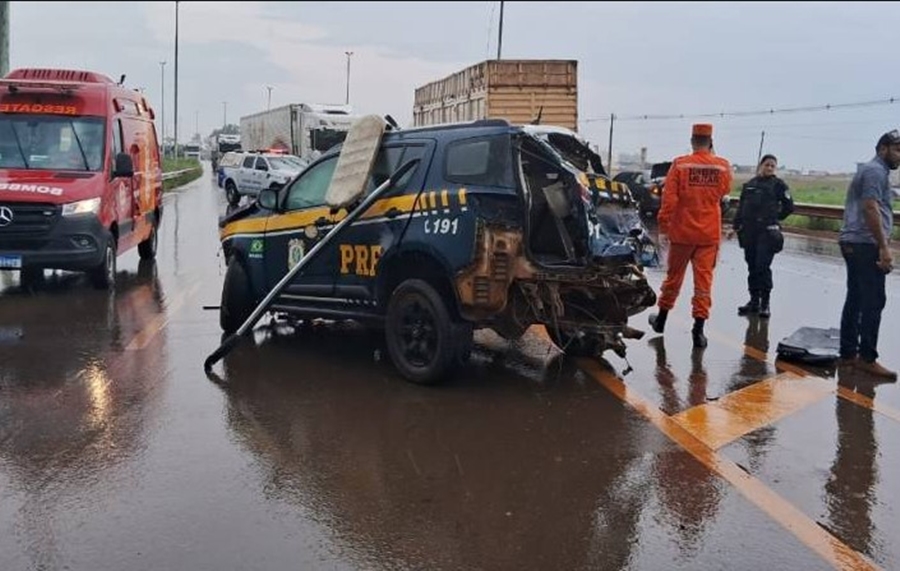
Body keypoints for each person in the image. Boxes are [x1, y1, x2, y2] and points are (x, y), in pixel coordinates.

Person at [648, 123, 733, 348]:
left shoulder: (680, 165)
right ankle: (698, 331)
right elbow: (724, 192)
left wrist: (663, 227)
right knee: (703, 283)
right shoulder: (723, 166)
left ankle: (661, 320)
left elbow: (669, 201)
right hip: (708, 236)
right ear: (711, 142)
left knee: (673, 279)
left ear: (692, 141)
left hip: (682, 233)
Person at [837, 129, 899, 380]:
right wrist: (883, 246)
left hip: (854, 240)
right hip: (865, 242)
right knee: (873, 300)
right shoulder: (875, 171)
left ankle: (848, 353)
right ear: (883, 149)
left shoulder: (872, 170)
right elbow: (870, 207)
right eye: (897, 150)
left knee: (855, 298)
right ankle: (867, 358)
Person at [731, 154, 794, 318]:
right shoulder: (750, 184)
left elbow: (789, 206)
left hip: (767, 232)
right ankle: (754, 301)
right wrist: (735, 226)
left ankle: (765, 303)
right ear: (761, 166)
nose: (770, 168)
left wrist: (775, 217)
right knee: (752, 266)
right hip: (750, 232)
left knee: (762, 266)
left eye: (773, 166)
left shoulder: (779, 185)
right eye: (767, 165)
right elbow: (741, 207)